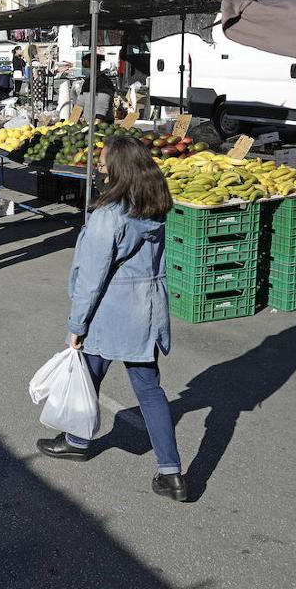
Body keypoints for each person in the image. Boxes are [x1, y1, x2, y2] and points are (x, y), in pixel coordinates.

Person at [36, 135, 186, 502]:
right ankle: (172, 474)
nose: (100, 170)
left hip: (110, 311)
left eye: (104, 165)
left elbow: (92, 277)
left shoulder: (109, 216)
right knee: (149, 390)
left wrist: (76, 325)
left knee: (87, 376)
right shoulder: (152, 204)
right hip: (145, 311)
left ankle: (76, 441)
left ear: (118, 169)